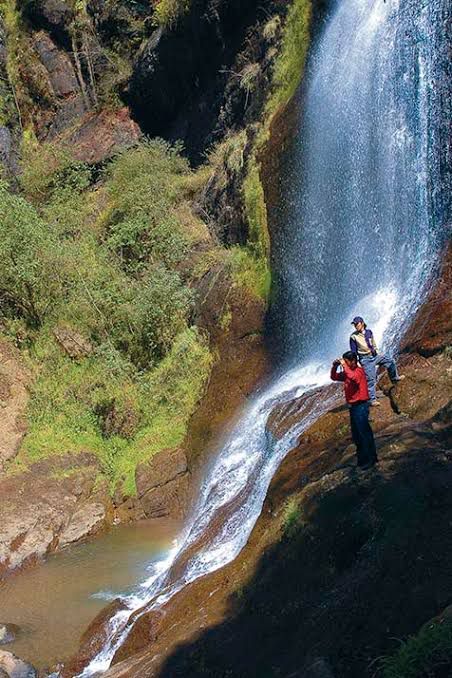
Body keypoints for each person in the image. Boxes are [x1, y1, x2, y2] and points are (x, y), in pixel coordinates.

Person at [330, 351, 378, 469]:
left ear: (353, 361)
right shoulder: (348, 372)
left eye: (346, 362)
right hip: (353, 407)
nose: (344, 364)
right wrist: (335, 366)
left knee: (364, 433)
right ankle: (362, 459)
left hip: (361, 406)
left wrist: (344, 366)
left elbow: (354, 378)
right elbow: (334, 377)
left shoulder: (359, 371)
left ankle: (372, 459)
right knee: (356, 435)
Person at [349, 316, 404, 406]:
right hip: (365, 359)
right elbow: (353, 352)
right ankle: (372, 400)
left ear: (362, 323)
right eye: (354, 324)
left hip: (374, 355)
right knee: (371, 379)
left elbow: (373, 343)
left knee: (390, 361)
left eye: (357, 324)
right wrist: (356, 364)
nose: (355, 326)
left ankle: (394, 378)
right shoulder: (353, 337)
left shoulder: (369, 332)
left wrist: (377, 352)